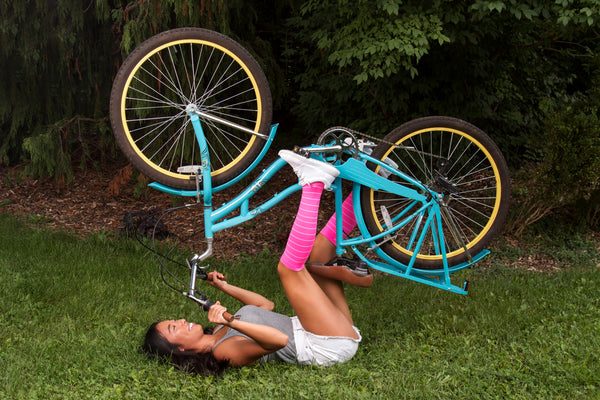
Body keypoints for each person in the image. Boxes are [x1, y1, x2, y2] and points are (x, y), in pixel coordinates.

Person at [142, 150, 373, 376]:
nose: (181, 321)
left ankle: (374, 178)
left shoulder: (220, 331)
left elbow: (266, 306)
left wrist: (223, 287)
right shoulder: (223, 350)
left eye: (174, 320)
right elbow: (279, 340)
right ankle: (314, 183)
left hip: (322, 327)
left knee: (320, 248)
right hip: (325, 345)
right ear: (180, 350)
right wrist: (231, 321)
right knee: (288, 270)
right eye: (174, 327)